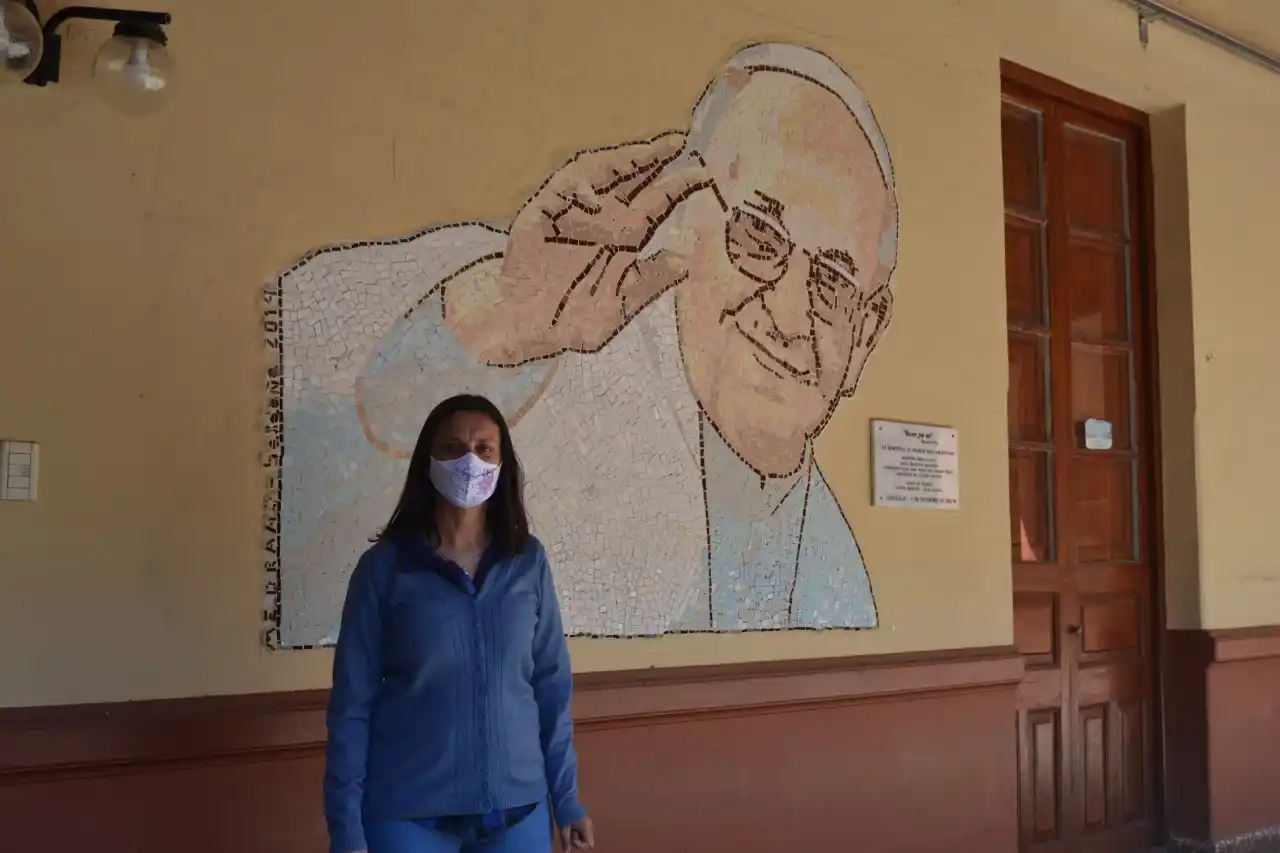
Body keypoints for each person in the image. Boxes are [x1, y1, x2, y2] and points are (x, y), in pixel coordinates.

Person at [273, 42, 899, 646]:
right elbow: (306, 520)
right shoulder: (527, 324)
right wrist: (492, 326)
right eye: (759, 233)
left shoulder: (841, 575)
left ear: (865, 335)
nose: (791, 316)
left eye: (835, 285)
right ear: (681, 217)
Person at [323, 394, 594, 853]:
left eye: (484, 448)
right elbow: (352, 706)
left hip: (519, 814)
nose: (469, 460)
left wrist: (566, 801)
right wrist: (346, 829)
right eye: (452, 447)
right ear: (427, 462)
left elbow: (550, 687)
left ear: (502, 464)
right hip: (407, 816)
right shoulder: (384, 569)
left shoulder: (527, 562)